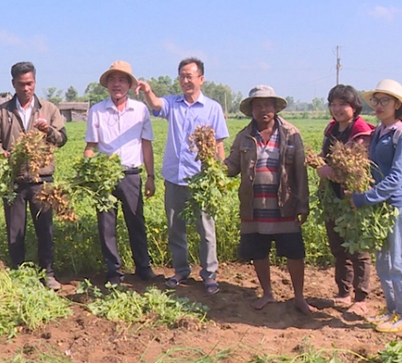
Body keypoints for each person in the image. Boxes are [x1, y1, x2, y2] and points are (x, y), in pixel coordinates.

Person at [136, 57, 228, 295]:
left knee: (206, 229)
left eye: (190, 76)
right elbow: (156, 105)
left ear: (201, 79)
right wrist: (147, 90)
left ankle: (209, 275)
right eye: (182, 76)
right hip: (175, 177)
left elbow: (218, 143)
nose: (186, 80)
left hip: (201, 180)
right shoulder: (173, 104)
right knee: (176, 228)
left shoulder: (213, 108)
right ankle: (181, 270)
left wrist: (218, 174)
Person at [225, 85, 315, 315]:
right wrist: (212, 166)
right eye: (258, 105)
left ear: (275, 108)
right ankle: (267, 293)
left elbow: (300, 172)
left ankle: (299, 297)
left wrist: (303, 204)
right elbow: (232, 166)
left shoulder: (291, 134)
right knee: (259, 251)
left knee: (294, 252)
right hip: (254, 206)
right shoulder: (244, 137)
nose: (263, 109)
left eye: (267, 104)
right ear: (251, 109)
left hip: (284, 204)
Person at [0, 62, 67, 290]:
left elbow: (62, 139)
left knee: (45, 230)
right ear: (13, 84)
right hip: (14, 181)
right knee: (15, 232)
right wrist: (2, 153)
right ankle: (18, 274)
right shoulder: (2, 112)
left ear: (35, 82)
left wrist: (48, 131)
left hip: (42, 180)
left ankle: (48, 274)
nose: (26, 88)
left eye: (30, 83)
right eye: (21, 84)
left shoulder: (48, 109)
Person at [350, 79, 402, 333]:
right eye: (376, 101)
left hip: (398, 206)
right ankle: (391, 310)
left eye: (385, 101)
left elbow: (397, 178)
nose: (378, 106)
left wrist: (363, 198)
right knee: (383, 261)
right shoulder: (380, 131)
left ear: (398, 105)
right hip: (381, 207)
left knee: (399, 262)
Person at [84, 61, 159, 285]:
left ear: (129, 84)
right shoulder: (97, 110)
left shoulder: (140, 110)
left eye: (122, 80)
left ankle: (143, 268)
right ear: (107, 84)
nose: (117, 84)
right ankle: (114, 271)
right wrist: (87, 174)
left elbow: (146, 145)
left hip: (131, 174)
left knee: (136, 222)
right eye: (113, 80)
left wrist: (151, 177)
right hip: (104, 176)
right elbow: (91, 146)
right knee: (106, 226)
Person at [316, 85, 375, 317]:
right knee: (338, 246)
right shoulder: (332, 129)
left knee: (357, 247)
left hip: (353, 197)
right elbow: (324, 157)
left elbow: (357, 168)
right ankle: (343, 292)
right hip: (332, 196)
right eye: (333, 104)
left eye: (342, 104)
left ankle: (361, 297)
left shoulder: (361, 132)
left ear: (354, 106)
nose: (337, 109)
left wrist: (328, 170)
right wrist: (319, 162)